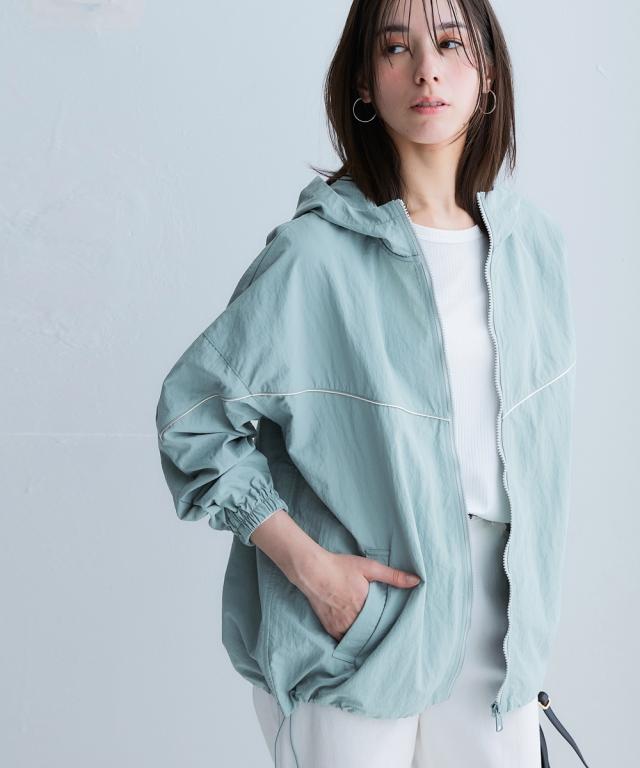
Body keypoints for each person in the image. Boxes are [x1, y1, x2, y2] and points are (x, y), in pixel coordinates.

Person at [154, 0, 577, 766]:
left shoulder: (533, 250)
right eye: (396, 48)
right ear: (364, 81)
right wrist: (314, 573)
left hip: (502, 632)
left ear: (487, 72)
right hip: (361, 625)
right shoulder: (315, 255)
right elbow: (195, 415)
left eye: (450, 43)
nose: (427, 70)